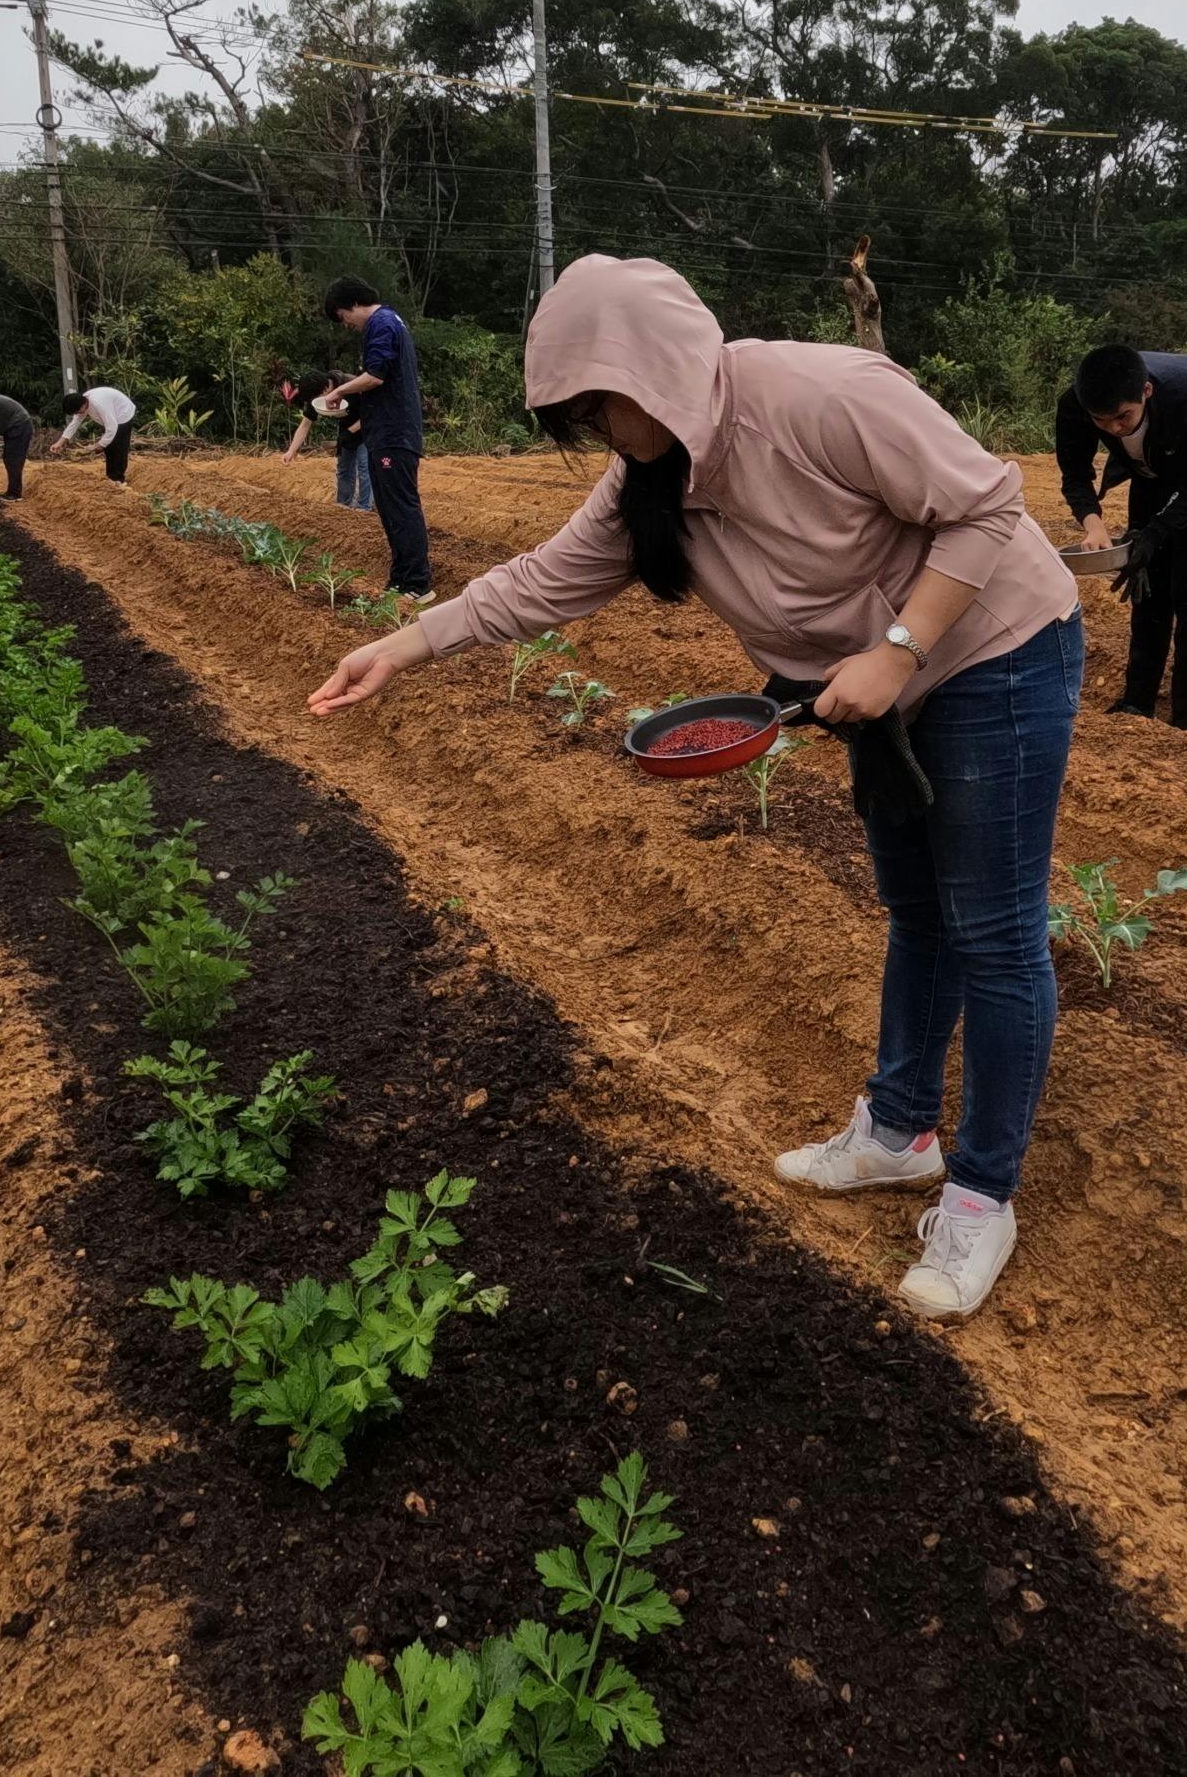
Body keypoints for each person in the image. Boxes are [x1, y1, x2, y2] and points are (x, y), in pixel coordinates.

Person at [307, 256, 1081, 1322]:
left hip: (994, 650)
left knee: (992, 929)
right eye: (576, 411)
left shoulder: (823, 395)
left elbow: (988, 508)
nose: (594, 426)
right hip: (866, 683)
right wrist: (402, 646)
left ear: (661, 369)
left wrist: (899, 650)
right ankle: (900, 1131)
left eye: (599, 402)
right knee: (915, 910)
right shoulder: (649, 477)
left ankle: (983, 1195)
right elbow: (542, 579)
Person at [1053, 342, 1187, 728]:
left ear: (1146, 391)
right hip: (1150, 467)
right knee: (1146, 586)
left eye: (1123, 418)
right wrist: (1093, 524)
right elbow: (1075, 475)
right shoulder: (1078, 404)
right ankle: (1137, 702)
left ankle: (1186, 717)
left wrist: (1155, 533)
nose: (1113, 428)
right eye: (1102, 421)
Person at [314, 279, 428, 596]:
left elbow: (376, 376)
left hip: (395, 432)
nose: (346, 325)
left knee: (401, 507)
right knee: (390, 509)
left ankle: (417, 583)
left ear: (351, 305)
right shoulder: (385, 323)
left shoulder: (382, 323)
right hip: (385, 432)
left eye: (342, 317)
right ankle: (401, 580)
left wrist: (339, 390)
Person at [279, 371, 372, 510]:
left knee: (365, 467)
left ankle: (365, 508)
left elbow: (371, 414)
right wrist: (291, 451)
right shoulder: (315, 394)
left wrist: (350, 431)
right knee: (344, 468)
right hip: (346, 426)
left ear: (325, 389)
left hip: (367, 426)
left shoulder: (352, 386)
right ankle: (343, 506)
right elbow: (305, 424)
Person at [50, 383, 139, 485]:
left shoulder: (98, 404)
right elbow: (74, 424)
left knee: (119, 447)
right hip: (111, 418)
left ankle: (119, 479)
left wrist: (100, 445)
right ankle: (111, 477)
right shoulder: (83, 402)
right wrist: (60, 443)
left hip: (123, 414)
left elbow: (112, 426)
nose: (77, 414)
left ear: (83, 405)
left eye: (77, 412)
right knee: (109, 447)